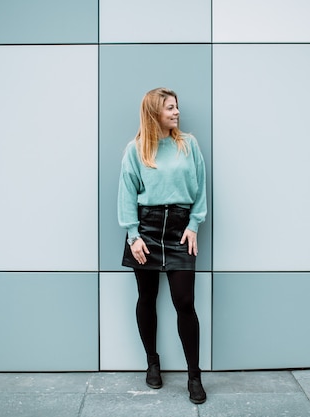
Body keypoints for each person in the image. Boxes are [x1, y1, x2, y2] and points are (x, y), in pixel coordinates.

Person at [117, 87, 207, 404]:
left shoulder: (188, 144)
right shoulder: (137, 149)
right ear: (155, 112)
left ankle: (194, 376)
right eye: (170, 108)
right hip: (147, 229)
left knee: (185, 302)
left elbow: (200, 187)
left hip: (181, 230)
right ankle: (152, 362)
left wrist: (194, 225)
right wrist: (133, 235)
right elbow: (127, 193)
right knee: (147, 297)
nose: (177, 112)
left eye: (177, 107)